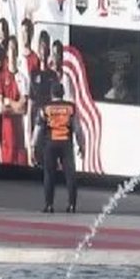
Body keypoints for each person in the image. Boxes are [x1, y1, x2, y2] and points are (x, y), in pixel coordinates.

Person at [31, 82, 85, 213]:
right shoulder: (70, 107)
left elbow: (38, 128)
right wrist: (81, 145)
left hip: (50, 144)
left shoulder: (45, 108)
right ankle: (72, 205)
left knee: (49, 175)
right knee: (70, 175)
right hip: (66, 144)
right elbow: (77, 128)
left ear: (52, 93)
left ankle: (49, 205)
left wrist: (33, 146)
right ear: (63, 93)